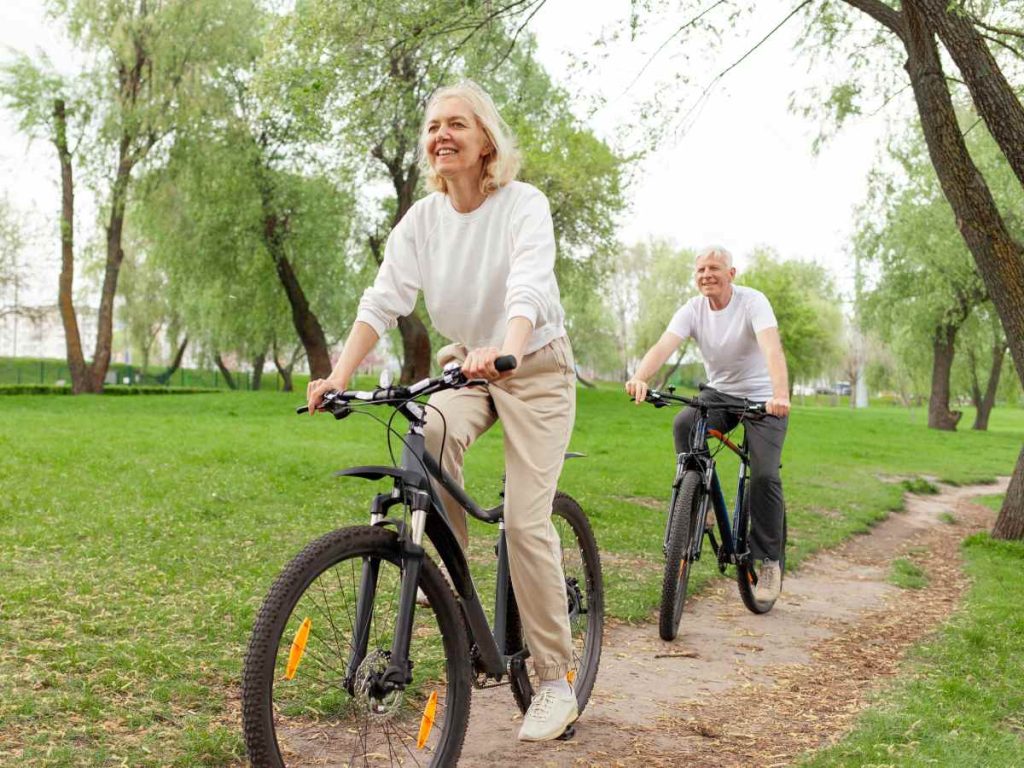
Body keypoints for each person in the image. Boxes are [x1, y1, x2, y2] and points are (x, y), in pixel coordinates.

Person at [306, 80, 579, 742]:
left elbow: (529, 287)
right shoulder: (423, 220)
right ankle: (461, 608)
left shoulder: (522, 205)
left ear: (486, 139)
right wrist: (339, 374)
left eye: (456, 123)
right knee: (424, 438)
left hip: (533, 368)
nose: (441, 135)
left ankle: (553, 680)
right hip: (467, 366)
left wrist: (508, 351)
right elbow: (383, 299)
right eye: (432, 126)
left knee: (523, 519)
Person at [625, 245, 790, 602]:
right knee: (684, 423)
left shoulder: (752, 302)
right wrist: (639, 377)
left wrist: (780, 395)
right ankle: (700, 503)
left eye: (714, 268)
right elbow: (663, 345)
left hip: (763, 400)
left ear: (732, 274)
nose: (706, 275)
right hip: (720, 394)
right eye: (700, 269)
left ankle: (769, 563)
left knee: (763, 474)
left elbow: (772, 349)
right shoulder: (693, 309)